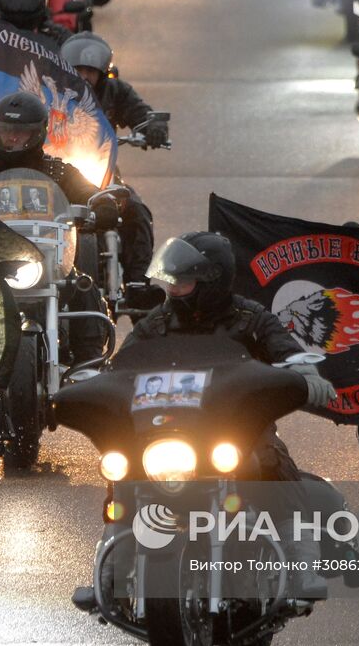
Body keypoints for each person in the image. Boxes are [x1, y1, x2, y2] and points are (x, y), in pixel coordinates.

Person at [122, 232, 343, 596]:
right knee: (124, 469)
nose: (175, 289)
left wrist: (305, 374)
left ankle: (302, 566)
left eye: (185, 281)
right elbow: (122, 365)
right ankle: (116, 565)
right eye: (172, 280)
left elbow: (286, 349)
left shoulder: (251, 318)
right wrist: (96, 383)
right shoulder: (158, 322)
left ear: (213, 281)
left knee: (271, 464)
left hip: (238, 429)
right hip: (168, 430)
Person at [0, 91, 118, 363]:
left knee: (83, 285)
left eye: (20, 133)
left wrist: (103, 204)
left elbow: (90, 192)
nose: (12, 138)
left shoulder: (59, 172)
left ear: (38, 133)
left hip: (49, 261)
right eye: (6, 131)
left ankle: (88, 362)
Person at [60, 33, 160, 305]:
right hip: (58, 173)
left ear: (102, 73)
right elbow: (31, 114)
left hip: (102, 173)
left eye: (90, 71)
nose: (83, 76)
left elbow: (140, 112)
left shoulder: (116, 92)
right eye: (76, 70)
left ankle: (138, 282)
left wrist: (151, 127)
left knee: (136, 211)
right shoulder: (49, 92)